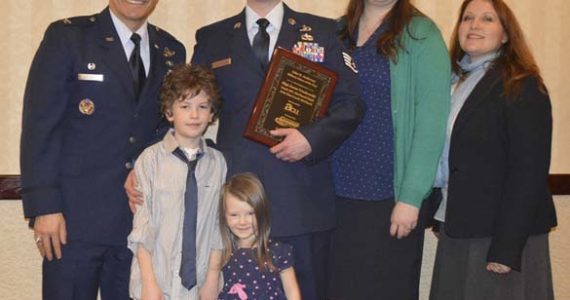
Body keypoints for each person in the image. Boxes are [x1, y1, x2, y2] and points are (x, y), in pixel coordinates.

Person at [183, 1, 365, 298]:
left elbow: (351, 103)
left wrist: (311, 139)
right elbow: (189, 108)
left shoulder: (323, 32)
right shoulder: (212, 38)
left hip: (302, 202)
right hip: (238, 210)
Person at [19, 0, 185, 299]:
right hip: (72, 220)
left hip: (138, 222)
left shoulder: (171, 51)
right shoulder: (69, 38)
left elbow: (165, 128)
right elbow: (40, 126)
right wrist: (44, 207)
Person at [429, 0, 557, 299]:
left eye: (487, 19)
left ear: (506, 34)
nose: (474, 25)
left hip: (501, 234)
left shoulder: (521, 85)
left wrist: (506, 247)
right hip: (458, 225)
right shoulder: (450, 83)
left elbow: (529, 170)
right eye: (467, 18)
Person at [329, 0, 450, 299]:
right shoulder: (337, 31)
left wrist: (411, 197)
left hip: (388, 196)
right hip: (333, 191)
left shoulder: (421, 34)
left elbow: (431, 123)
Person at [127, 64, 226, 300]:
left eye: (202, 107)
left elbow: (217, 224)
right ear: (170, 112)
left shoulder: (218, 163)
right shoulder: (150, 160)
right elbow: (142, 227)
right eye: (185, 106)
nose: (194, 115)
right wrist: (149, 283)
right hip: (157, 281)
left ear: (211, 114)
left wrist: (213, 276)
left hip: (201, 284)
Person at [216, 173, 301, 299]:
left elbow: (292, 291)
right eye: (234, 215)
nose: (242, 221)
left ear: (261, 212)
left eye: (250, 213)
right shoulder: (223, 253)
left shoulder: (278, 251)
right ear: (224, 216)